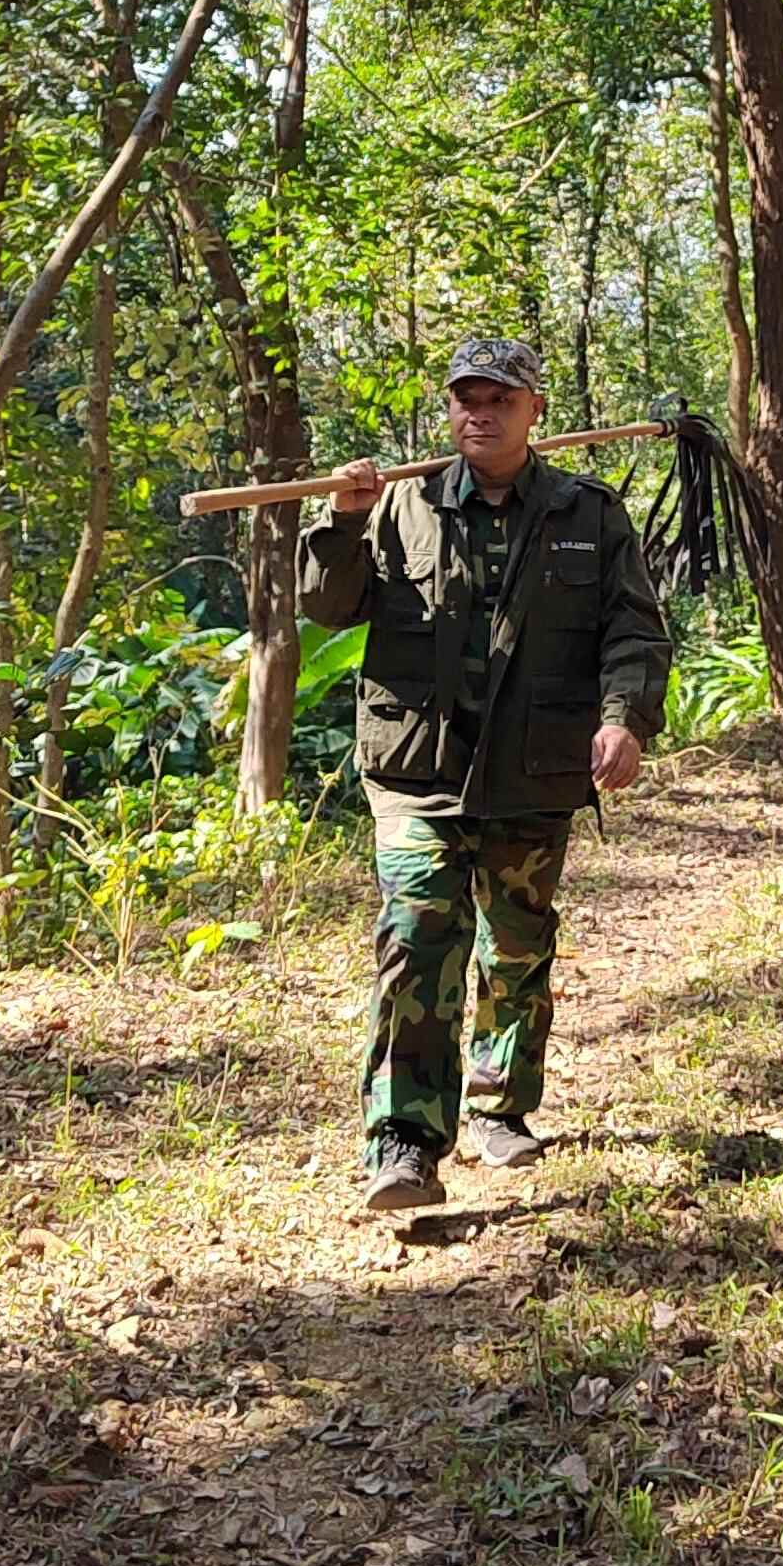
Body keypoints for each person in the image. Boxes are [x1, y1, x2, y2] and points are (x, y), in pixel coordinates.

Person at [300, 337, 672, 1213]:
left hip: (531, 769)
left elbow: (634, 630)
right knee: (417, 937)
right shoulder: (403, 504)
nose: (481, 413)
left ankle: (501, 1108)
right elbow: (328, 605)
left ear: (534, 411)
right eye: (467, 398)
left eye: (501, 399)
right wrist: (342, 520)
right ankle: (404, 1141)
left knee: (516, 945)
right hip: (417, 770)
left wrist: (622, 719)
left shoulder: (587, 514)